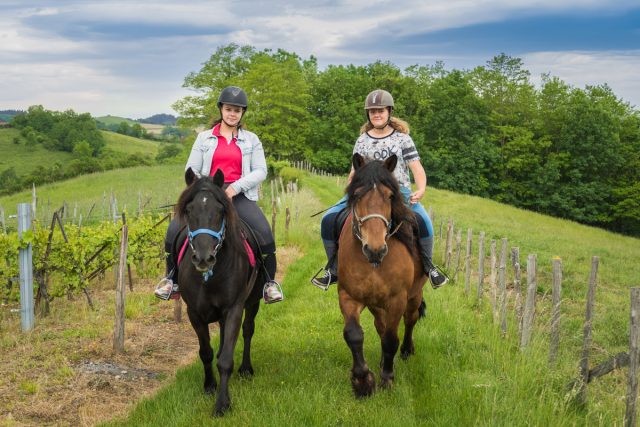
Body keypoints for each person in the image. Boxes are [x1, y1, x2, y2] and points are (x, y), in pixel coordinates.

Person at [155, 86, 283, 304]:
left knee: (264, 233)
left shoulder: (251, 140)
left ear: (242, 113)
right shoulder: (204, 138)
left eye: (237, 110)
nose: (232, 114)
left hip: (239, 194)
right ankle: (171, 279)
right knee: (174, 230)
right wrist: (206, 188)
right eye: (229, 109)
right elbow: (192, 168)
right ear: (221, 109)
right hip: (208, 193)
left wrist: (235, 188)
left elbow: (261, 170)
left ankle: (269, 284)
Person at [311, 89, 448, 290]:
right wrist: (351, 190)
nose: (376, 114)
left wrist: (421, 189)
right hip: (365, 193)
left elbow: (416, 167)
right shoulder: (362, 140)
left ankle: (429, 267)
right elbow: (354, 171)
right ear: (368, 114)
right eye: (372, 111)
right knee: (328, 219)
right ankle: (333, 269)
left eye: (380, 110)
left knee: (423, 221)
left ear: (389, 112)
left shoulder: (403, 139)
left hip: (397, 192)